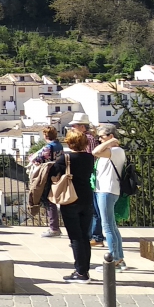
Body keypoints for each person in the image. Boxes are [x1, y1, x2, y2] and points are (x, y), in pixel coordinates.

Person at [45, 129, 96, 283]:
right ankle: (84, 269)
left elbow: (53, 174)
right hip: (87, 198)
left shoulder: (66, 158)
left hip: (70, 199)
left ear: (70, 142)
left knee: (75, 237)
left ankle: (81, 273)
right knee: (85, 236)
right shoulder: (90, 158)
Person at [92, 124, 127, 269]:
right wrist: (108, 142)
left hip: (107, 191)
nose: (99, 139)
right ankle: (119, 258)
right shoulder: (112, 151)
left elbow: (95, 152)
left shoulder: (116, 150)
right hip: (105, 190)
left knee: (107, 226)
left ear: (111, 136)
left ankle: (114, 259)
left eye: (102, 137)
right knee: (112, 226)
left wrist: (110, 142)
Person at [70, 113, 105, 248]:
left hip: (92, 176)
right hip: (91, 175)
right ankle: (92, 235)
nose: (73, 127)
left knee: (94, 208)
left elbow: (91, 157)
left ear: (83, 127)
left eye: (75, 125)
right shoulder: (88, 138)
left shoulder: (88, 139)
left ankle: (95, 236)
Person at [30, 125, 64, 238]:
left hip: (47, 175)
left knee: (48, 200)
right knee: (53, 199)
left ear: (45, 135)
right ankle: (55, 227)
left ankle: (54, 228)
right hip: (58, 173)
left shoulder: (48, 147)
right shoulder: (59, 145)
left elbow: (36, 159)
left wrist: (32, 158)